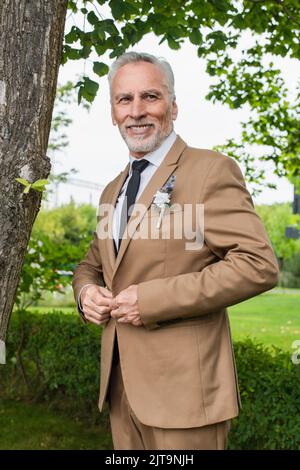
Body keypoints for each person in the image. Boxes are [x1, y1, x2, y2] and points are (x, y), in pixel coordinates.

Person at [72, 52, 279, 450]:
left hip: (185, 396)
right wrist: (86, 294)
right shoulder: (111, 190)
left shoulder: (210, 171)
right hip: (120, 391)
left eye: (150, 96)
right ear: (113, 112)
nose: (137, 111)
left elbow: (258, 265)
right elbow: (92, 265)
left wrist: (151, 300)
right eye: (124, 99)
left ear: (173, 106)